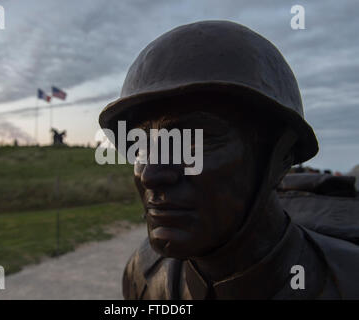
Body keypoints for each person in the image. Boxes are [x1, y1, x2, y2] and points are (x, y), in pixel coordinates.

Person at [99, 21, 359, 299]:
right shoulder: (143, 274)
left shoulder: (349, 282)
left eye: (191, 142)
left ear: (282, 156)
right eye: (142, 147)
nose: (151, 175)